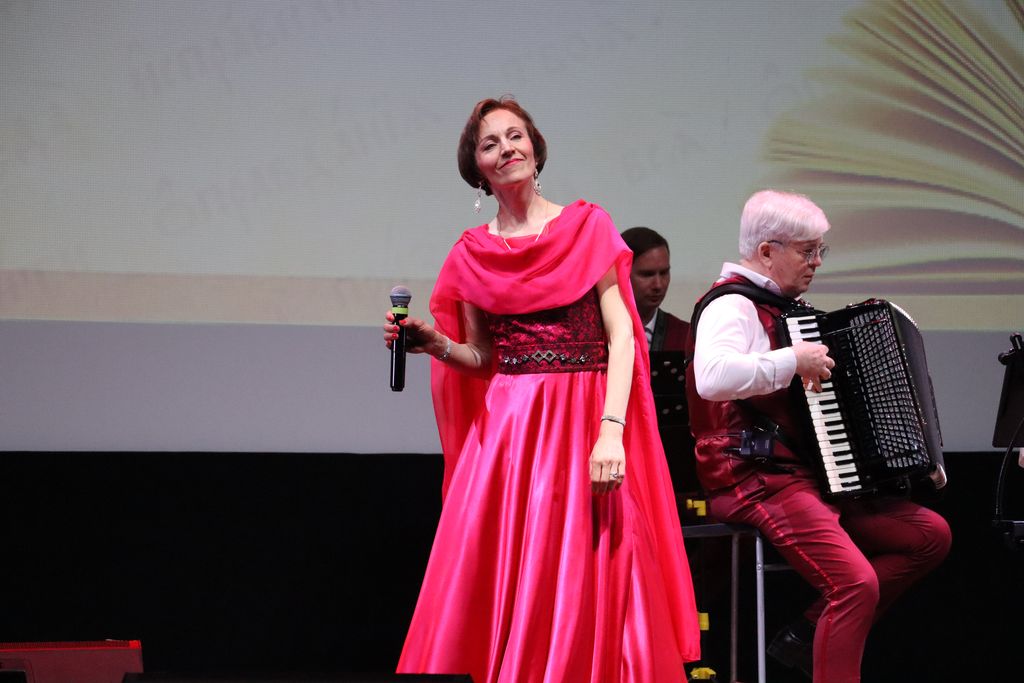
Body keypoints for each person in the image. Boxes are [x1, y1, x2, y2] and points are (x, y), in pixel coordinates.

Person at [384, 96, 700, 682]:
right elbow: (485, 358)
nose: (506, 148)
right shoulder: (472, 253)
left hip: (585, 422)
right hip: (512, 437)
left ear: (535, 147)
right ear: (477, 168)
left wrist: (612, 432)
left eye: (515, 136)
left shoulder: (587, 226)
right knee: (511, 572)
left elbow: (623, 336)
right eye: (490, 144)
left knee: (601, 564)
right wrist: (435, 343)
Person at [685, 189, 952, 683]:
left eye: (819, 251)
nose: (816, 263)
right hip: (753, 478)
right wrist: (794, 360)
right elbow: (712, 377)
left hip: (802, 475)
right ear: (767, 251)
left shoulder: (784, 309)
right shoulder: (731, 305)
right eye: (807, 251)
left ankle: (809, 635)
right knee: (854, 585)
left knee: (929, 536)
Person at [620, 226, 689, 352]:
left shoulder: (685, 336)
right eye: (647, 274)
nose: (658, 285)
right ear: (621, 274)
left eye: (664, 273)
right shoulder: (593, 335)